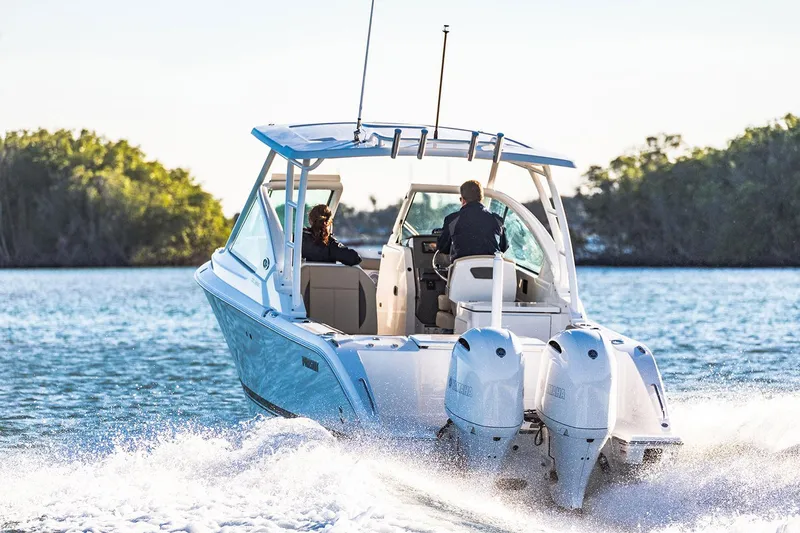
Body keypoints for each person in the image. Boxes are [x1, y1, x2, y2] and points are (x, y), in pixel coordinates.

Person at [436, 180, 508, 261]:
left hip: (461, 270)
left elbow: (443, 248)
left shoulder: (452, 219)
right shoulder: (497, 219)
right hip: (492, 270)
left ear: (463, 200)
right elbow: (503, 247)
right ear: (481, 198)